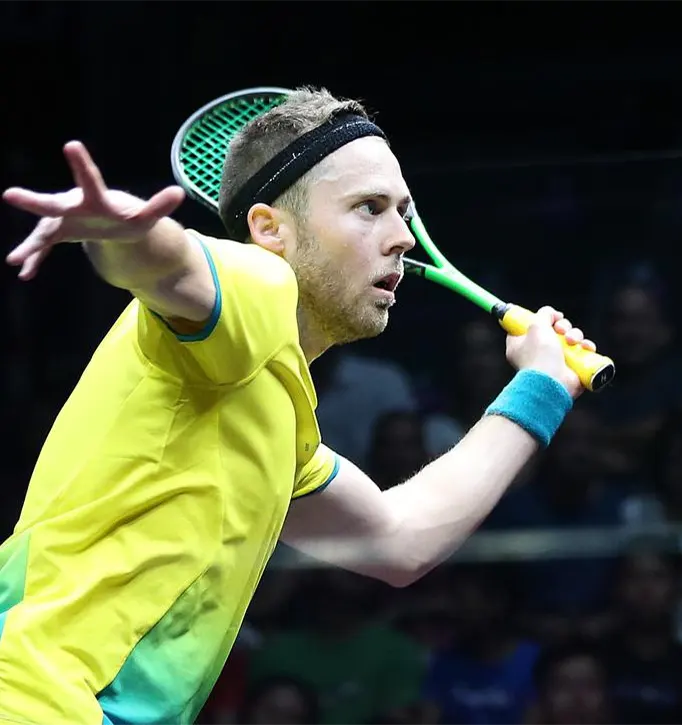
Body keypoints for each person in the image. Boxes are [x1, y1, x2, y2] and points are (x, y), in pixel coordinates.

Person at [0, 87, 597, 725]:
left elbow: (400, 540)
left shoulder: (276, 413)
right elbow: (171, 267)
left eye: (404, 212)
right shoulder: (256, 282)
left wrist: (542, 387)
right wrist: (121, 230)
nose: (400, 238)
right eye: (368, 208)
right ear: (269, 231)